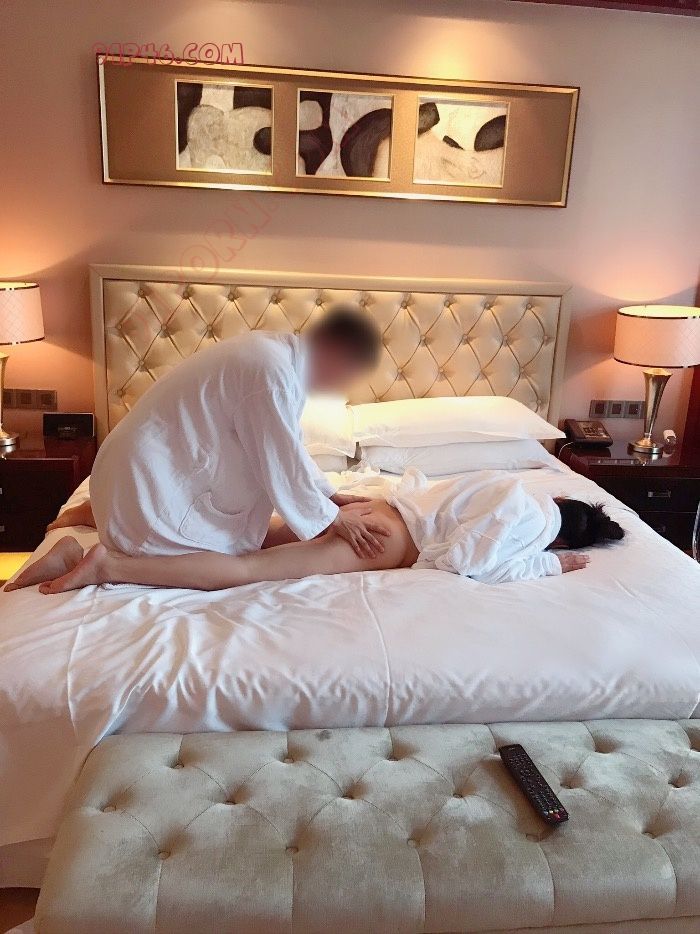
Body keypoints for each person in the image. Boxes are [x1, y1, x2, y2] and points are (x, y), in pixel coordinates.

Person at [40, 305, 392, 568]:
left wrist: (328, 495)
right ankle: (85, 556)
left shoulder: (277, 356)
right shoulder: (272, 374)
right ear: (335, 353)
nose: (341, 386)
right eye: (348, 374)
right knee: (226, 559)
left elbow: (287, 445)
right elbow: (279, 459)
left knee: (253, 535)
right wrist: (332, 518)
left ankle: (100, 513)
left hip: (136, 472)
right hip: (147, 483)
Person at [6, 470, 624, 594]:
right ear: (566, 533)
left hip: (376, 511)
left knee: (237, 535)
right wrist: (546, 564)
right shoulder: (534, 520)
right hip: (384, 545)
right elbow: (470, 560)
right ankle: (109, 565)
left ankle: (96, 524)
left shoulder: (500, 480)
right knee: (245, 570)